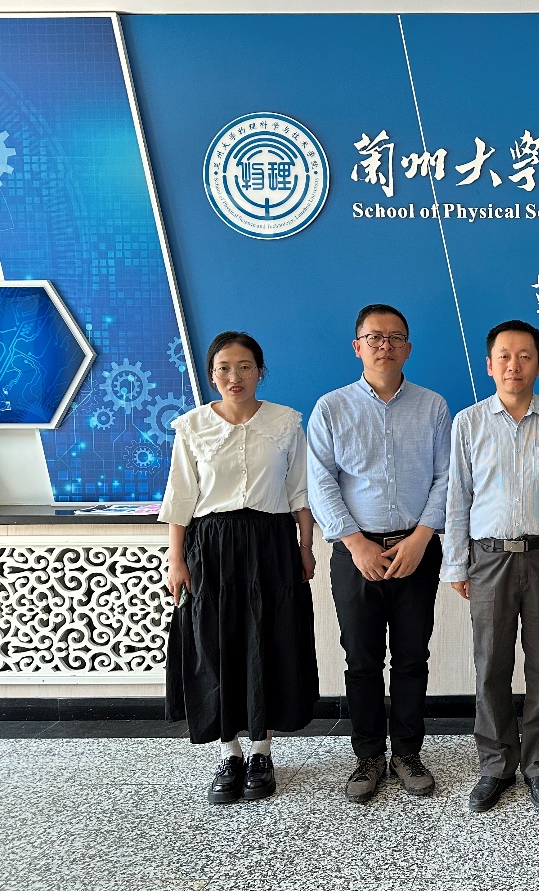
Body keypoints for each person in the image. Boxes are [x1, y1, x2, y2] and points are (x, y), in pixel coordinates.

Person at [161, 331, 318, 804]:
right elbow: (180, 498)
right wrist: (175, 559)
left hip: (272, 544)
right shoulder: (192, 427)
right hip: (210, 546)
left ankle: (262, 752)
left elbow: (299, 492)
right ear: (212, 375)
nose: (235, 376)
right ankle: (228, 752)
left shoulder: (286, 422)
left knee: (269, 639)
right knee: (216, 643)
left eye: (245, 366)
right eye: (224, 368)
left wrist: (305, 547)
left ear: (260, 371)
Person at [307, 304, 450, 803]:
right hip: (356, 552)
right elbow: (320, 481)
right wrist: (355, 543)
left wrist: (422, 537)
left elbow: (446, 477)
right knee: (362, 660)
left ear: (408, 347)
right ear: (358, 347)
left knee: (412, 657)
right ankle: (368, 755)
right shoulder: (331, 408)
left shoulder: (433, 406)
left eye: (395, 337)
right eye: (374, 337)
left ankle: (407, 753)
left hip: (416, 548)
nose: (384, 345)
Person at [442, 319, 539, 813]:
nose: (513, 365)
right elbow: (458, 496)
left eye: (524, 356)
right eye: (504, 356)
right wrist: (457, 563)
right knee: (490, 665)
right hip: (488, 558)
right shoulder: (469, 422)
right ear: (490, 364)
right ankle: (495, 765)